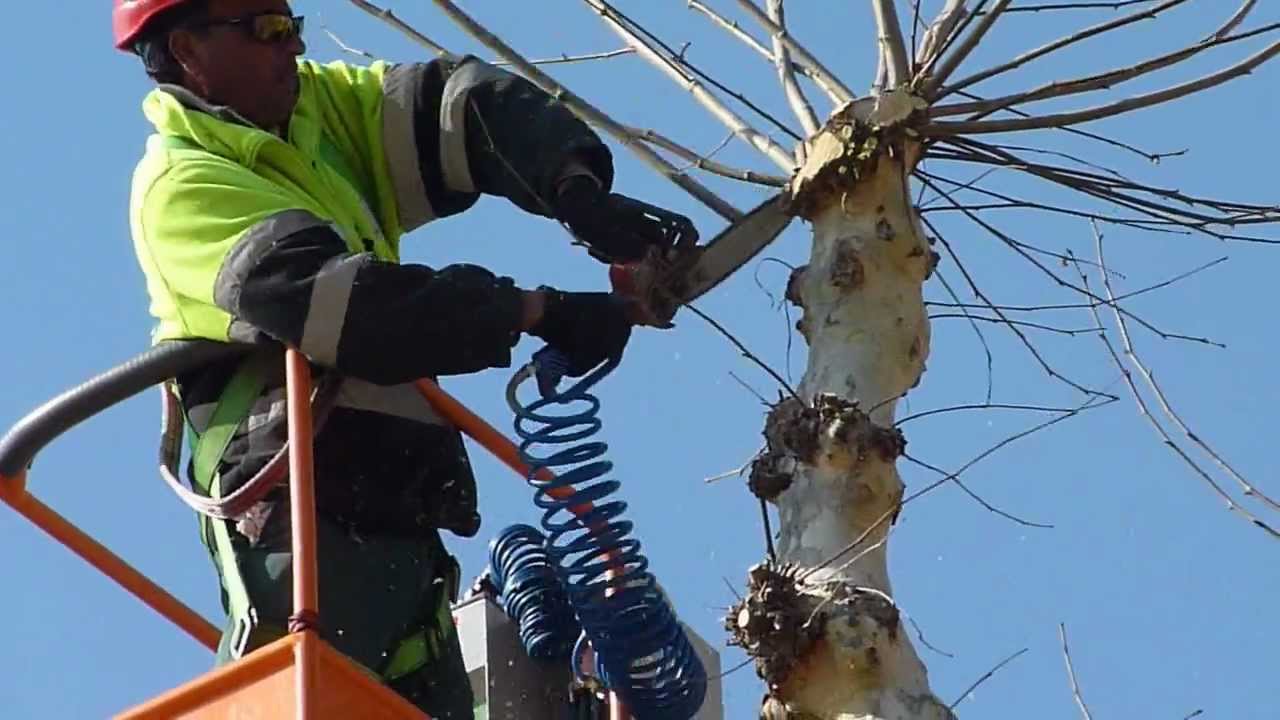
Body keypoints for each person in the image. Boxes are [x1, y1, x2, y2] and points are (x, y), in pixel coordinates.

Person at [113, 0, 696, 716]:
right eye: (266, 26)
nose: (291, 44)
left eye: (291, 20)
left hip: (403, 513)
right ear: (189, 50)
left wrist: (574, 190)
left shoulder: (317, 114)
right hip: (296, 508)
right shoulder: (186, 184)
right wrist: (541, 311)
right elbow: (354, 311)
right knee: (306, 697)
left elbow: (460, 106)